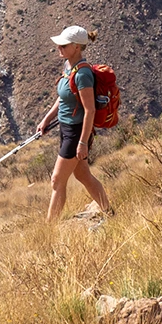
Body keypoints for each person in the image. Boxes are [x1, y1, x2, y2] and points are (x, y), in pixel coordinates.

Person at [32, 25, 113, 222]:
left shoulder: (83, 75)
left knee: (57, 180)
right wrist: (46, 119)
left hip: (76, 133)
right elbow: (63, 97)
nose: (59, 48)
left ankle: (49, 229)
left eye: (64, 45)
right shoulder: (69, 68)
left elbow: (90, 110)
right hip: (66, 128)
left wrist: (83, 142)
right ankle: (110, 213)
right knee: (83, 175)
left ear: (77, 47)